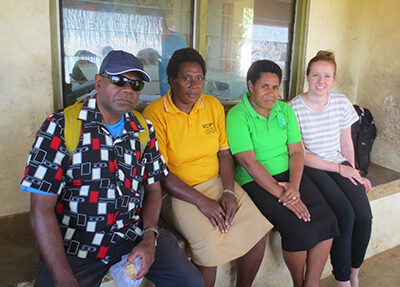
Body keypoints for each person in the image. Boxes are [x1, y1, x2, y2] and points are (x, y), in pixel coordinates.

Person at [20, 50, 203, 287]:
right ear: (99, 82)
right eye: (118, 80)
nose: (128, 89)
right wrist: (63, 277)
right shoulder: (61, 126)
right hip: (78, 243)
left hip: (132, 234)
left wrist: (149, 236)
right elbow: (40, 211)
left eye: (136, 85)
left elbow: (154, 190)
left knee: (190, 282)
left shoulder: (142, 128)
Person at [143, 48, 271, 287]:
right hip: (178, 192)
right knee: (209, 246)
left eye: (199, 78)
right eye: (186, 78)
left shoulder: (212, 106)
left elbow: (224, 154)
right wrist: (203, 202)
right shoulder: (156, 114)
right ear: (172, 80)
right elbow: (162, 174)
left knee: (257, 231)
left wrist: (229, 192)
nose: (194, 85)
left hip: (217, 183)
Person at [226, 60, 340, 287]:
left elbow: (297, 151)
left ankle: (311, 284)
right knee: (298, 229)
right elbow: (248, 163)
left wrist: (294, 187)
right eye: (264, 86)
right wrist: (283, 194)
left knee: (328, 220)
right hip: (255, 180)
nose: (271, 93)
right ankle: (299, 283)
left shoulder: (284, 110)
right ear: (250, 85)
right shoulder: (238, 116)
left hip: (290, 175)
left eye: (276, 87)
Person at [289, 50, 372, 287]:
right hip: (314, 168)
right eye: (316, 75)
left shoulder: (340, 102)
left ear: (333, 79)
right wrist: (340, 169)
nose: (321, 81)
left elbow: (346, 142)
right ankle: (342, 278)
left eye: (327, 76)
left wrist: (354, 171)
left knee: (364, 216)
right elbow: (301, 155)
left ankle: (355, 271)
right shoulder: (294, 108)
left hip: (340, 164)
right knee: (345, 214)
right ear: (307, 76)